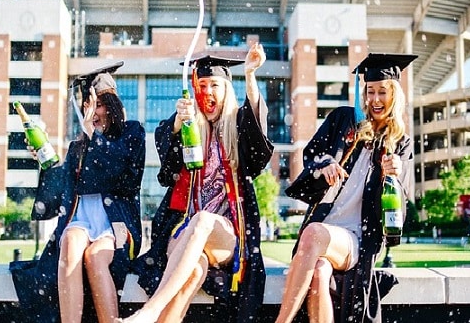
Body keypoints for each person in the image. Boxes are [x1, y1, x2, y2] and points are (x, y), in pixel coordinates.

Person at [124, 44, 274, 323]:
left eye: (214, 85)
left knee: (204, 220)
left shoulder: (237, 126)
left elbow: (258, 145)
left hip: (226, 235)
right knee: (193, 271)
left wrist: (251, 76)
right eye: (202, 85)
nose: (208, 92)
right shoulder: (191, 129)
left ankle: (149, 312)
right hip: (184, 229)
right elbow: (167, 169)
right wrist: (178, 125)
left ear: (227, 89)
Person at [276, 53, 417, 323]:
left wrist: (395, 176)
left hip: (357, 238)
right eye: (370, 91)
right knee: (318, 274)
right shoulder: (343, 120)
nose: (375, 99)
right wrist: (326, 164)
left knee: (313, 233)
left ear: (395, 95)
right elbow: (313, 154)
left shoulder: (401, 144)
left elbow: (398, 214)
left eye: (383, 92)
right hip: (323, 229)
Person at [11, 60, 146, 323]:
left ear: (113, 106)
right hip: (80, 220)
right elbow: (58, 196)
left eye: (98, 103)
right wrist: (44, 160)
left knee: (95, 258)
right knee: (71, 243)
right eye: (87, 104)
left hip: (116, 223)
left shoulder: (132, 133)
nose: (91, 111)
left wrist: (92, 135)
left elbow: (121, 176)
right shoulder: (77, 148)